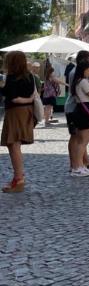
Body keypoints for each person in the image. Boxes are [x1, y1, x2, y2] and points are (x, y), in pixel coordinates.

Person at [1, 51, 37, 193]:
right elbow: (31, 95)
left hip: (16, 113)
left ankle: (18, 179)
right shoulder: (30, 77)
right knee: (14, 145)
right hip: (25, 112)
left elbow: (15, 98)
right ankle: (18, 177)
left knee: (13, 145)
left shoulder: (12, 77)